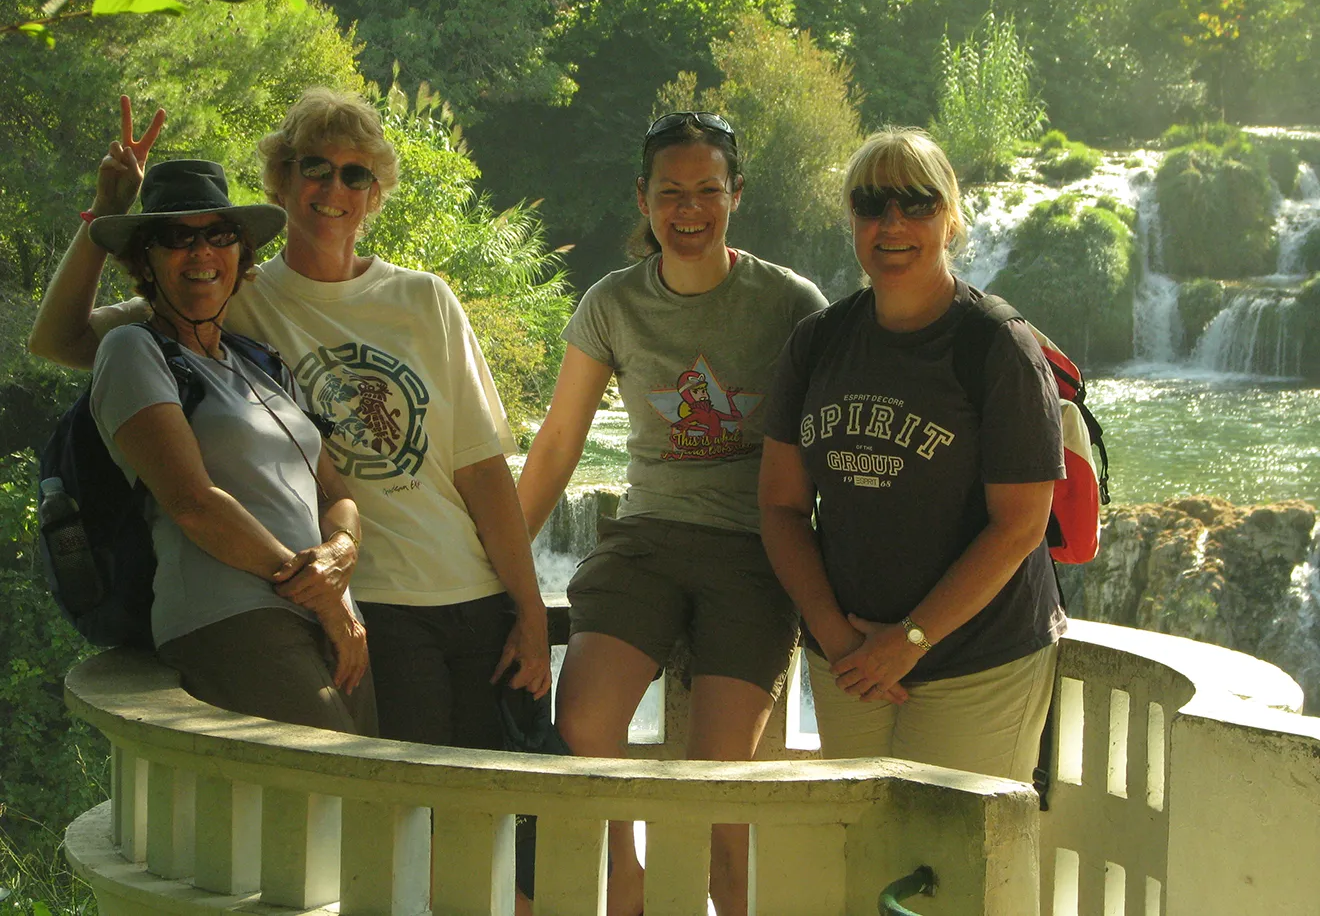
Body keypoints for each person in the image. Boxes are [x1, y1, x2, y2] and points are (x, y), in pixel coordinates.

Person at [28, 91, 550, 752]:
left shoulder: (414, 301)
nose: (335, 187)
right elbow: (61, 341)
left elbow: (479, 471)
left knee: (491, 812)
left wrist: (528, 609)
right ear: (280, 181)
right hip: (356, 607)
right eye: (316, 168)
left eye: (356, 173)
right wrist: (108, 214)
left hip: (456, 596)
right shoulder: (226, 294)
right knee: (394, 810)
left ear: (374, 190)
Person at [517, 112, 827, 916]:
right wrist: (504, 564)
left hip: (753, 550)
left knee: (717, 772)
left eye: (707, 191)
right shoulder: (612, 304)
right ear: (643, 200)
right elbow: (557, 444)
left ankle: (726, 901)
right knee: (583, 723)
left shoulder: (791, 302)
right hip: (646, 539)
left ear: (736, 196)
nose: (688, 211)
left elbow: (833, 442)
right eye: (670, 194)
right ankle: (628, 889)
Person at [758, 127, 1066, 783]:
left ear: (950, 219)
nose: (892, 222)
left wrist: (908, 641)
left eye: (917, 202)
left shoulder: (998, 347)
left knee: (955, 865)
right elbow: (781, 507)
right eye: (872, 204)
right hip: (848, 662)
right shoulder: (816, 344)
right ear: (852, 220)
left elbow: (1020, 525)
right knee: (863, 857)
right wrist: (841, 641)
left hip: (979, 662)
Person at [84, 150, 374, 734]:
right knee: (340, 787)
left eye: (219, 234)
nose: (201, 252)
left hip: (323, 614)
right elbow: (193, 503)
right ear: (147, 259)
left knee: (370, 802)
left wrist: (341, 551)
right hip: (227, 617)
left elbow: (336, 493)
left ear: (242, 254)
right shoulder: (132, 350)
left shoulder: (260, 363)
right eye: (177, 237)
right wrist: (320, 594)